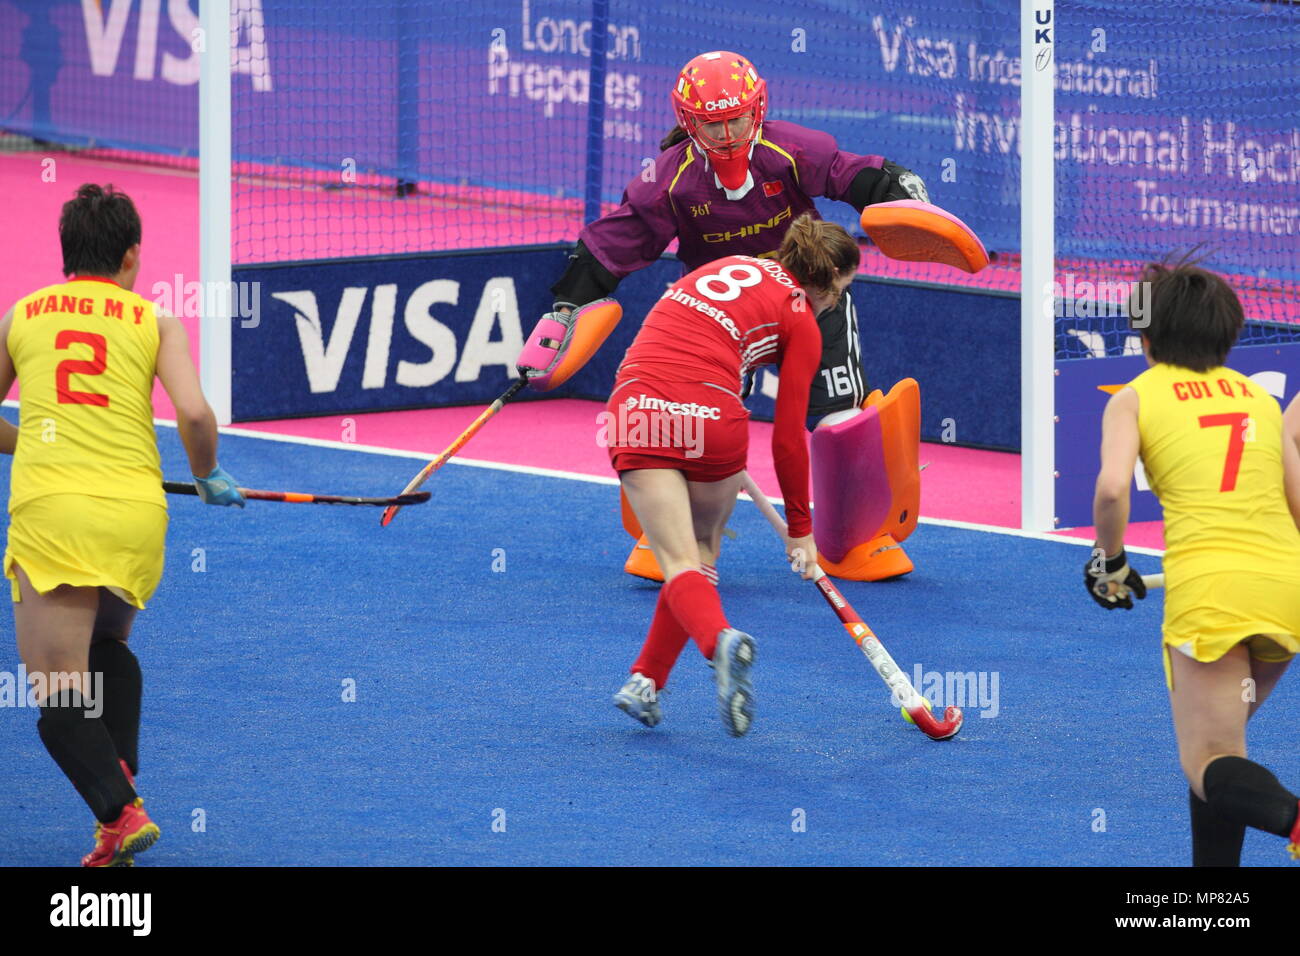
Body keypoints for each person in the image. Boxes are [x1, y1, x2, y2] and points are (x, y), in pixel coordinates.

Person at [539, 50, 928, 583]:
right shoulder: (667, 181)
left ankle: (856, 542)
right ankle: (667, 539)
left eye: (736, 118)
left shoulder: (791, 150)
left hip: (809, 299)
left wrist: (898, 189)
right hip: (722, 318)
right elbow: (617, 242)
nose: (726, 133)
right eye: (711, 122)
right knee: (688, 420)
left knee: (839, 422)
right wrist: (568, 303)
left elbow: (850, 175)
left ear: (757, 109)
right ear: (688, 122)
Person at [0, 183, 245, 866]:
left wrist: (31, 439)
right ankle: (117, 799)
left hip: (56, 516)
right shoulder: (154, 320)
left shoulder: (22, 315)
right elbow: (195, 416)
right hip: (137, 515)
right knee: (105, 644)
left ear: (65, 254)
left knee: (54, 692)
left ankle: (120, 810)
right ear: (131, 256)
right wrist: (206, 475)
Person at [608, 214, 857, 736]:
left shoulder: (728, 264)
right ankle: (716, 640)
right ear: (827, 274)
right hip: (712, 417)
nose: (835, 303)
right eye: (839, 291)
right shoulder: (803, 322)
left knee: (676, 560)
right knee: (697, 554)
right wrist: (802, 531)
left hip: (635, 406)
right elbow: (789, 438)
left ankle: (646, 681)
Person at [1086, 259, 1300, 865]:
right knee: (1222, 749)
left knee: (1208, 763)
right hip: (1286, 585)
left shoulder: (1135, 397)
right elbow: (1295, 503)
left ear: (1145, 337)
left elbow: (1110, 490)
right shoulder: (1260, 398)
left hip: (1210, 592)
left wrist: (1109, 561)